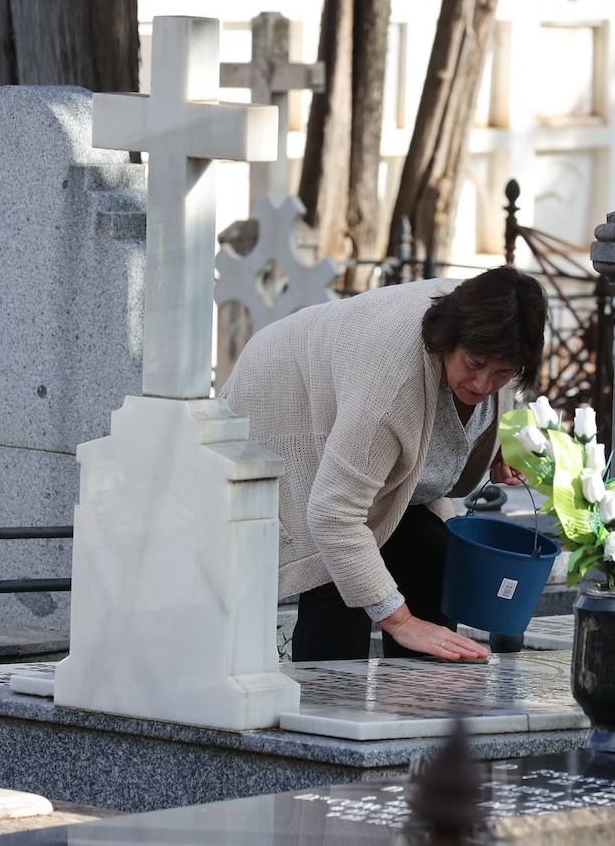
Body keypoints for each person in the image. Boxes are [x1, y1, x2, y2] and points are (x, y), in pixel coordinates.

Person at [220, 267, 547, 662]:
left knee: (433, 553)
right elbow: (333, 514)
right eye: (474, 363)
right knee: (338, 585)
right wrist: (401, 621)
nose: (481, 385)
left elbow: (502, 379)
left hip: (353, 398)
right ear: (447, 339)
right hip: (287, 403)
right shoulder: (391, 387)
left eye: (500, 373)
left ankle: (424, 705)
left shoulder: (499, 326)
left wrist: (502, 441)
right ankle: (327, 711)